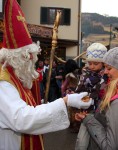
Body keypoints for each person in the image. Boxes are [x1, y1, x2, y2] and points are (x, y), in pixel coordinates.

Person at [0, 0, 92, 149]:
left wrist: (61, 109)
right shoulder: (3, 82)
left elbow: (33, 109)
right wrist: (66, 101)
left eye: (32, 54)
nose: (31, 58)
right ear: (12, 56)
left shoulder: (18, 76)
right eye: (26, 54)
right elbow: (23, 118)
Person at [75, 43, 108, 111]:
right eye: (90, 63)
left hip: (101, 107)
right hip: (85, 105)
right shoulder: (85, 74)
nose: (92, 66)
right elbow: (79, 89)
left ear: (103, 63)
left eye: (96, 64)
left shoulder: (107, 74)